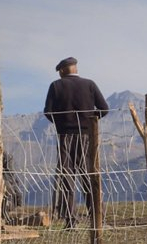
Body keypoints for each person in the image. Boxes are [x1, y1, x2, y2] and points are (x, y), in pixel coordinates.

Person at [44, 57, 109, 229]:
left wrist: (62, 123)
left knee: (67, 177)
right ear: (75, 68)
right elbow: (104, 108)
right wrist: (90, 121)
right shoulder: (89, 84)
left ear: (62, 71)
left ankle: (70, 220)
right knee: (89, 176)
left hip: (65, 136)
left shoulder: (56, 86)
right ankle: (97, 217)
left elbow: (48, 112)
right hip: (87, 136)